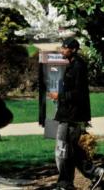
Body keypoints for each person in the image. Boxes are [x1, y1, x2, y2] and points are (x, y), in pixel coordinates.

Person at [48, 37, 104, 190]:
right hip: (67, 114)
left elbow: (79, 93)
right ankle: (95, 173)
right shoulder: (72, 65)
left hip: (72, 116)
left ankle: (65, 184)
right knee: (71, 149)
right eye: (62, 47)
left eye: (65, 48)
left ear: (73, 49)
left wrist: (59, 96)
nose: (62, 50)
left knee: (63, 149)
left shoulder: (78, 66)